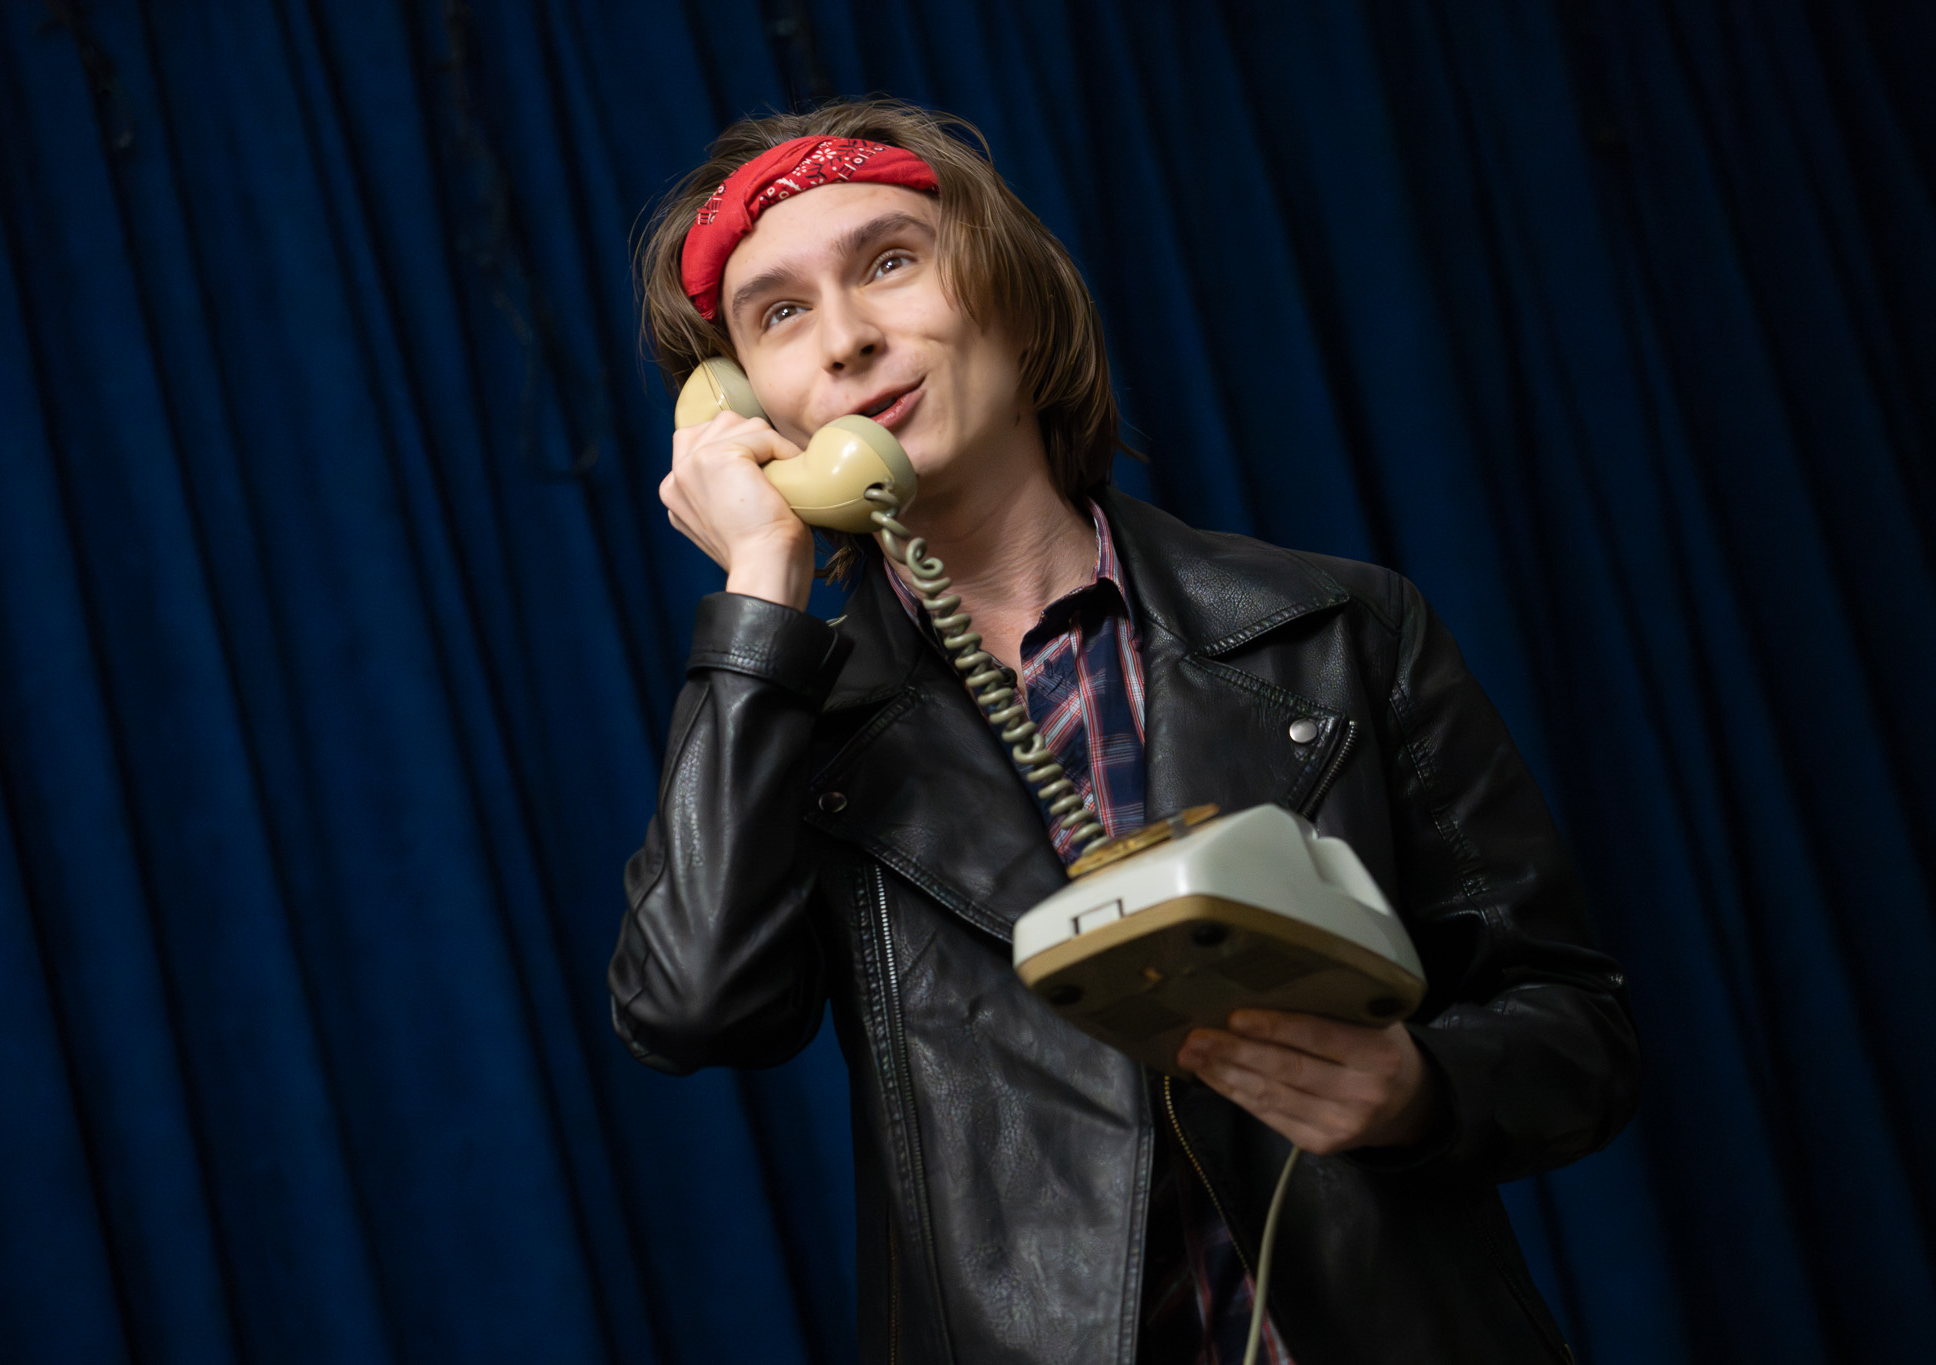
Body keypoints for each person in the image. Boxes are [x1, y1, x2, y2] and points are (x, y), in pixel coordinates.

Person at [610, 99, 1638, 1365]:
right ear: (738, 408)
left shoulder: (1340, 629)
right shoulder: (799, 734)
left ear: (1014, 294)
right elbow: (693, 1008)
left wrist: (1418, 1090)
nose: (846, 338)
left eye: (889, 262)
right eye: (777, 313)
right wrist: (761, 592)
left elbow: (1576, 1031)